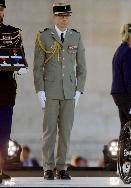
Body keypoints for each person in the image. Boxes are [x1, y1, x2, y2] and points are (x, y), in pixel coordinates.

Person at [33, 2, 86, 180]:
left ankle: (62, 167)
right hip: (50, 91)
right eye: (61, 16)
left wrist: (79, 91)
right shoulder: (44, 36)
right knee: (49, 132)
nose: (64, 20)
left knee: (65, 131)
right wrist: (40, 91)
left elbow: (82, 68)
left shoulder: (76, 37)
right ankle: (48, 167)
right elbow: (37, 67)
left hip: (70, 92)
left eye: (67, 16)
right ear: (54, 17)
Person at [0, 0, 28, 182]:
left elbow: (19, 56)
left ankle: (0, 170)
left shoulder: (12, 32)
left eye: (1, 9)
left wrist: (22, 65)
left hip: (6, 91)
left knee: (3, 134)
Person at [111, 23, 131, 129]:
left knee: (125, 126)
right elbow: (130, 79)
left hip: (119, 95)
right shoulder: (129, 52)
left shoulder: (120, 50)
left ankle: (124, 146)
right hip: (125, 95)